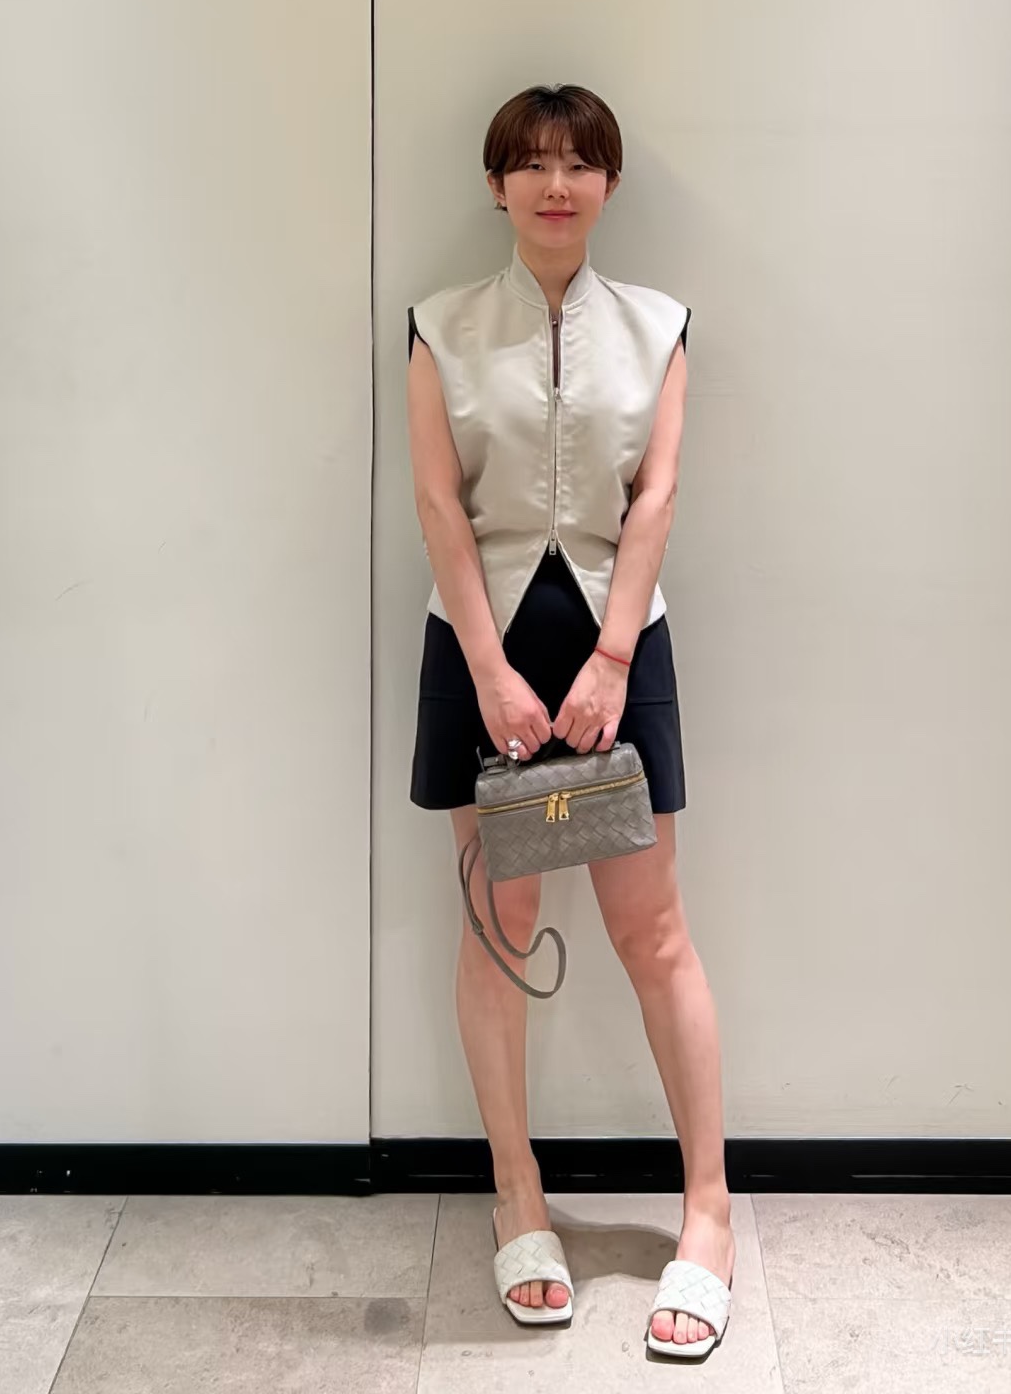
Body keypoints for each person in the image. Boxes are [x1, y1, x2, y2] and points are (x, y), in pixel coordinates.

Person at [405, 83, 734, 1359]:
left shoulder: (659, 327)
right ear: (496, 185)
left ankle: (707, 1213)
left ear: (608, 184)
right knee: (500, 931)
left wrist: (609, 660)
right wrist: (492, 673)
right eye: (531, 164)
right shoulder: (440, 327)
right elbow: (441, 507)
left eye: (578, 163)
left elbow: (656, 498)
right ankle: (518, 1198)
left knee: (653, 932)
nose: (556, 184)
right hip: (483, 644)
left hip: (619, 642)